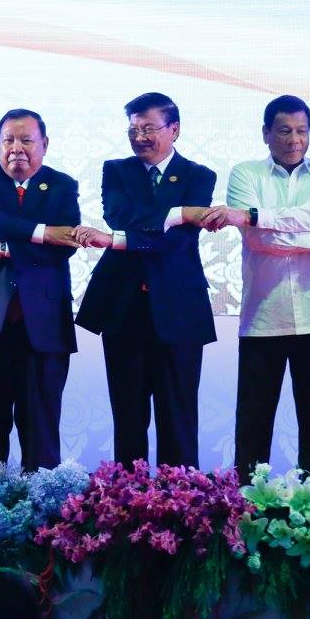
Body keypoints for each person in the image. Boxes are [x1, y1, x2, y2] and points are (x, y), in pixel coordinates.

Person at [206, 95, 310, 478]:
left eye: (302, 131)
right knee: (252, 430)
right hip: (262, 319)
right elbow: (257, 241)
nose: (294, 140)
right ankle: (246, 517)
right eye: (284, 131)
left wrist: (253, 216)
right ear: (267, 133)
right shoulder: (245, 173)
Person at [73, 92, 216, 468]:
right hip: (123, 309)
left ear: (174, 129)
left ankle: (183, 511)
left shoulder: (199, 176)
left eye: (149, 128)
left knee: (179, 420)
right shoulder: (116, 170)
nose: (140, 137)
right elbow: (119, 216)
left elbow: (179, 241)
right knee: (128, 419)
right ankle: (126, 511)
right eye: (134, 129)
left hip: (179, 311)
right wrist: (177, 212)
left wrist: (167, 221)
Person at [0, 109, 81, 472]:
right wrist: (43, 232)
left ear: (44, 144)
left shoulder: (63, 185)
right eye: (8, 140)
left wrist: (6, 247)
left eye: (26, 140)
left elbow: (66, 242)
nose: (16, 149)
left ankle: (46, 526)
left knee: (41, 440)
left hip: (44, 324)